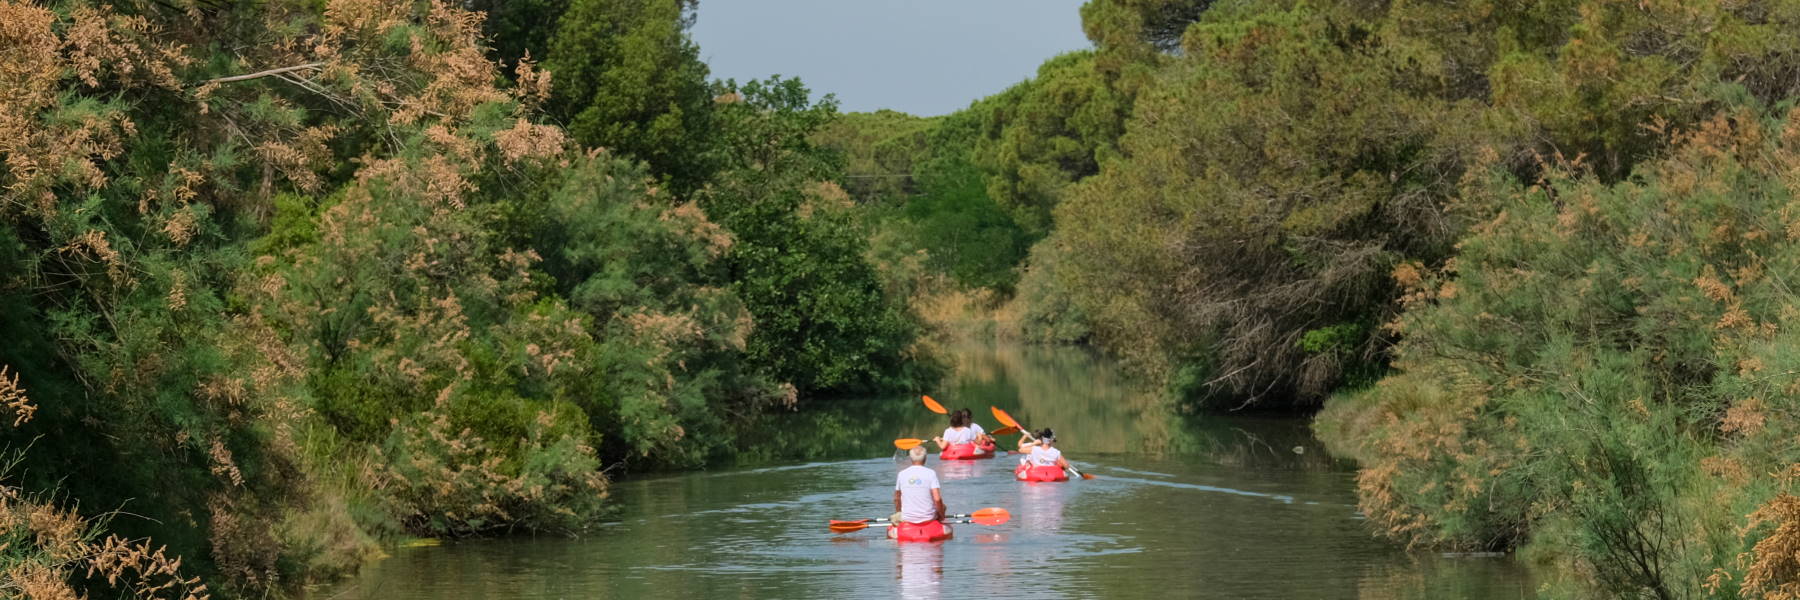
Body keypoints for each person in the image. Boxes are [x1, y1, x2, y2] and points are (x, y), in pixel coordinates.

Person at [891, 446, 952, 540]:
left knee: (895, 517)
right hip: (929, 518)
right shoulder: (931, 473)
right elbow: (937, 499)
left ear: (910, 458)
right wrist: (942, 516)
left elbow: (896, 498)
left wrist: (899, 512)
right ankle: (938, 523)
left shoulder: (902, 474)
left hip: (908, 518)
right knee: (943, 506)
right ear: (925, 458)